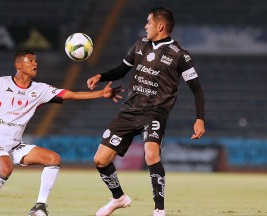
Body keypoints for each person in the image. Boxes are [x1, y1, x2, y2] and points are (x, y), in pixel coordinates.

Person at [0, 50, 123, 216]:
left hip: (15, 143)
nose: (35, 64)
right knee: (6, 169)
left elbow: (70, 94)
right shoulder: (2, 82)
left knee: (53, 159)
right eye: (30, 61)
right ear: (18, 65)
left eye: (35, 61)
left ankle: (39, 207)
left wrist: (100, 93)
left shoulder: (40, 89)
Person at [86, 7, 205, 216]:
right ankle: (119, 198)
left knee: (151, 154)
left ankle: (159, 210)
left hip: (155, 112)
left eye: (148, 22)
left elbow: (196, 88)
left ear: (160, 26)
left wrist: (200, 119)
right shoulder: (140, 44)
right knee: (100, 160)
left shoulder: (180, 55)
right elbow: (122, 70)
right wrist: (100, 76)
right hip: (129, 110)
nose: (145, 26)